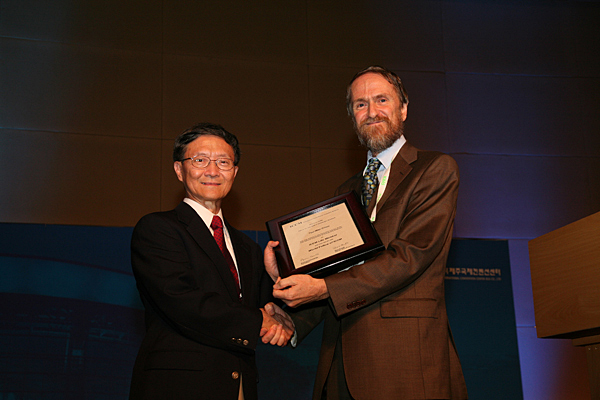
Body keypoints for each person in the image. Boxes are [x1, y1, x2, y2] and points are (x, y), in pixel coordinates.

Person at [265, 66, 468, 399]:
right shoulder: (347, 190)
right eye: (360, 104)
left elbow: (409, 257)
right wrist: (290, 304)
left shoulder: (435, 169)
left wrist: (321, 287)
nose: (372, 111)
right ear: (352, 117)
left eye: (381, 100)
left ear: (403, 108)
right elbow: (336, 274)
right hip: (341, 362)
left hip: (405, 364)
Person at [129, 123, 292, 400]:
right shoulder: (157, 229)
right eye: (200, 160)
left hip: (239, 387)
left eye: (223, 162)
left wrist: (277, 278)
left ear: (235, 172)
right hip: (178, 388)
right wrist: (258, 322)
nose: (213, 171)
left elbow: (266, 307)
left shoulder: (248, 248)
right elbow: (182, 301)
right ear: (179, 170)